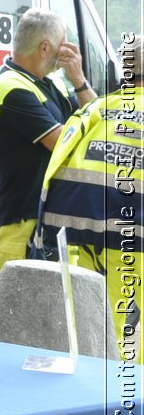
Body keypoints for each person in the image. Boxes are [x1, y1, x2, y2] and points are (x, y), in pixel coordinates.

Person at [36, 34, 140, 359]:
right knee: (131, 332)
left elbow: (62, 155)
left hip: (84, 233)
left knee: (100, 324)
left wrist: (48, 232)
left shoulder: (99, 107)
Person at [0, 8, 94, 269]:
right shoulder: (8, 86)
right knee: (22, 310)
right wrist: (84, 130)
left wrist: (78, 80)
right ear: (45, 48)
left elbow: (98, 124)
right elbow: (60, 144)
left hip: (56, 222)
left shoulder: (53, 82)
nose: (67, 49)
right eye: (63, 42)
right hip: (24, 226)